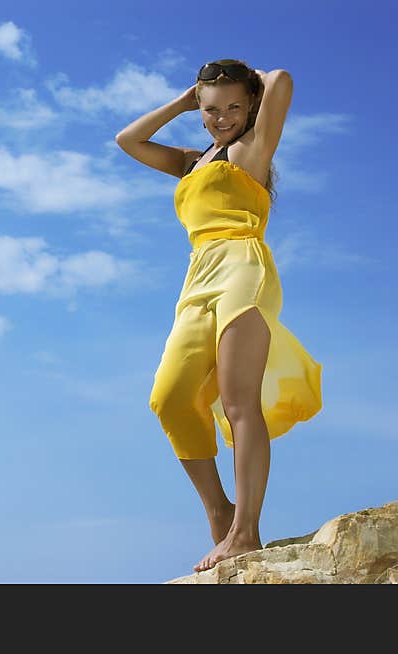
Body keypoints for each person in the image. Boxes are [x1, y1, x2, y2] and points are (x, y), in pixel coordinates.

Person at [115, 60, 323, 573]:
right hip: (197, 278)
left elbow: (281, 79)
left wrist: (245, 81)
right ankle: (220, 512)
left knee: (238, 401)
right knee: (169, 398)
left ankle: (245, 532)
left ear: (250, 104)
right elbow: (128, 140)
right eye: (212, 110)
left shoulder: (252, 150)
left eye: (233, 106)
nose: (222, 117)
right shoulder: (192, 160)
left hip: (243, 268)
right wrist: (185, 101)